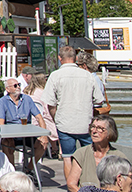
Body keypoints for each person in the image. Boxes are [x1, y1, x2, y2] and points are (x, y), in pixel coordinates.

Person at [42, 45, 105, 179]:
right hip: (86, 122)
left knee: (67, 158)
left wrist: (55, 118)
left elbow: (50, 104)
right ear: (76, 58)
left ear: (60, 58)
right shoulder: (87, 76)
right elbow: (99, 100)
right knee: (90, 156)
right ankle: (92, 183)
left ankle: (72, 188)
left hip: (65, 122)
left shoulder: (55, 76)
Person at [67, 115, 127, 192]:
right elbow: (71, 184)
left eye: (99, 128)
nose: (94, 131)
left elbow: (125, 187)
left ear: (109, 133)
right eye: (93, 127)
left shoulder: (119, 157)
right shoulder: (81, 154)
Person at [0, 77, 45, 169]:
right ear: (8, 89)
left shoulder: (27, 99)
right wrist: (6, 136)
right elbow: (0, 122)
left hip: (27, 135)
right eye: (15, 86)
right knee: (7, 146)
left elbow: (39, 117)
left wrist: (44, 135)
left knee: (43, 144)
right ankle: (12, 171)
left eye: (19, 85)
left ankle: (30, 168)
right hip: (11, 135)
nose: (18, 87)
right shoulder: (2, 101)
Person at [24, 72, 58, 160]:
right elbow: (47, 109)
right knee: (55, 122)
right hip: (41, 118)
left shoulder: (26, 91)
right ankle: (56, 149)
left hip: (30, 119)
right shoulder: (44, 92)